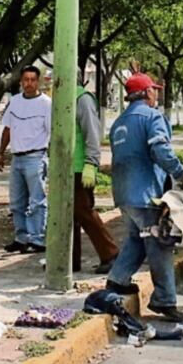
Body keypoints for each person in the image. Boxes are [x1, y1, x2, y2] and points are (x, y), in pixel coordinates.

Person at [106, 73, 183, 322]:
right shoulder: (152, 117)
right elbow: (161, 150)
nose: (156, 94)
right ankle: (165, 300)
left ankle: (116, 281)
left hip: (124, 193)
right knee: (159, 244)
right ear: (146, 93)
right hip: (145, 194)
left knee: (137, 239)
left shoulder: (118, 123)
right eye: (153, 90)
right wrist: (180, 173)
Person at [0, 65, 51, 253]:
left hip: (36, 156)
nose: (29, 83)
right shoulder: (15, 102)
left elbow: (52, 132)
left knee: (37, 201)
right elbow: (8, 128)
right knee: (17, 202)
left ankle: (38, 239)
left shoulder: (46, 104)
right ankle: (21, 238)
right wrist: (1, 152)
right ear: (21, 81)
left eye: (32, 80)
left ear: (39, 81)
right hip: (17, 157)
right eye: (25, 80)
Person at [73, 72, 119, 274]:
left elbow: (92, 133)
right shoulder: (60, 97)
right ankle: (69, 259)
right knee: (67, 216)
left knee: (83, 211)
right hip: (64, 167)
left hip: (80, 167)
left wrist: (91, 163)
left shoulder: (82, 99)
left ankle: (111, 253)